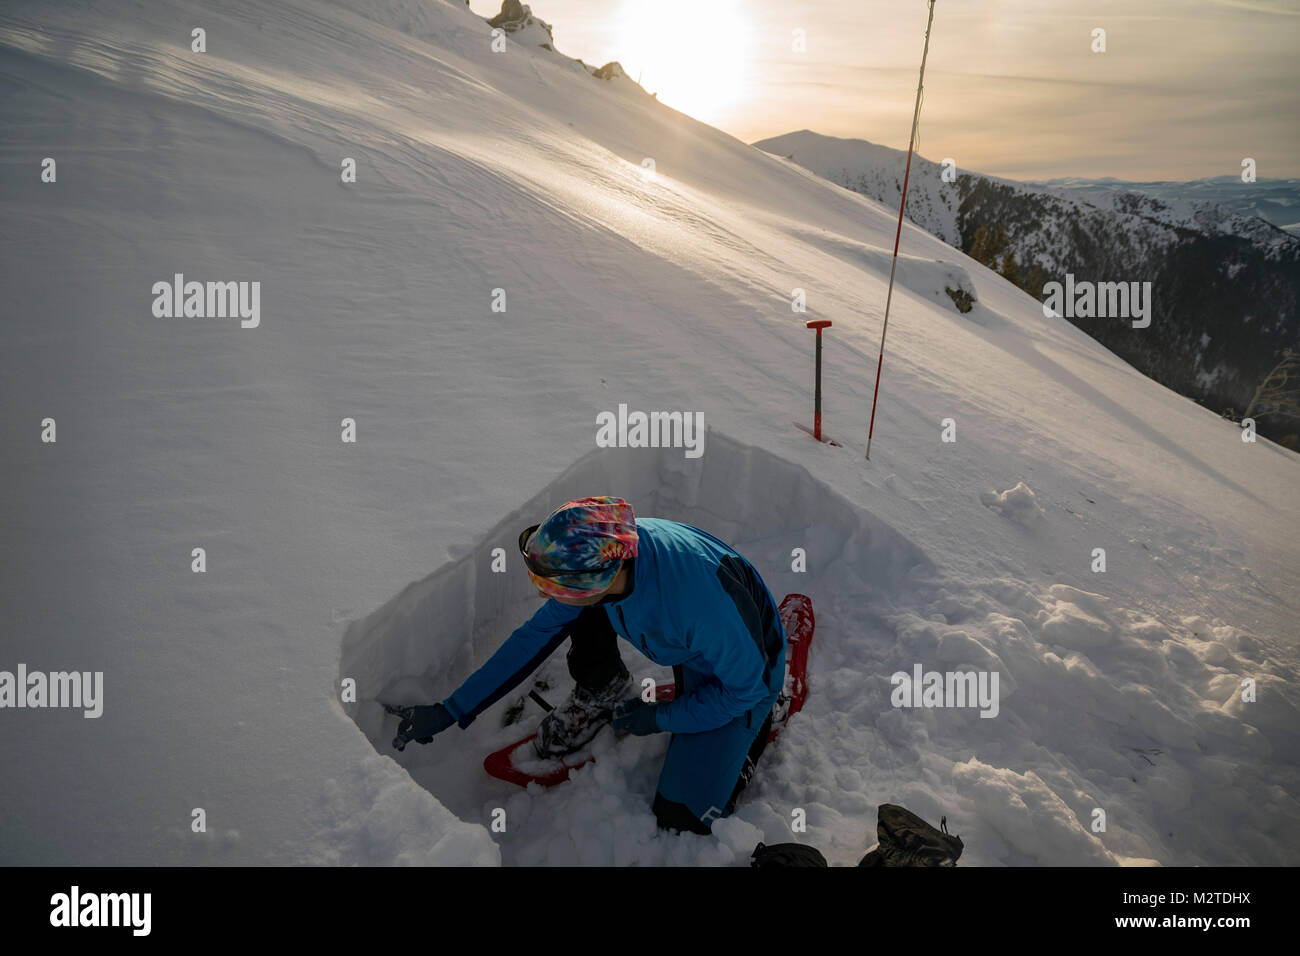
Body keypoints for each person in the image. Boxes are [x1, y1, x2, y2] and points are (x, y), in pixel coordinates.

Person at [391, 495, 787, 835]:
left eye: (558, 587)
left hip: (746, 671)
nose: (551, 597)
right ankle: (604, 686)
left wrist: (661, 718)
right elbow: (531, 640)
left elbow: (742, 687)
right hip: (694, 644)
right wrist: (450, 710)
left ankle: (767, 713)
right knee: (580, 615)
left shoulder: (699, 603)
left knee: (680, 818)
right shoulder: (606, 554)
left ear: (601, 577)